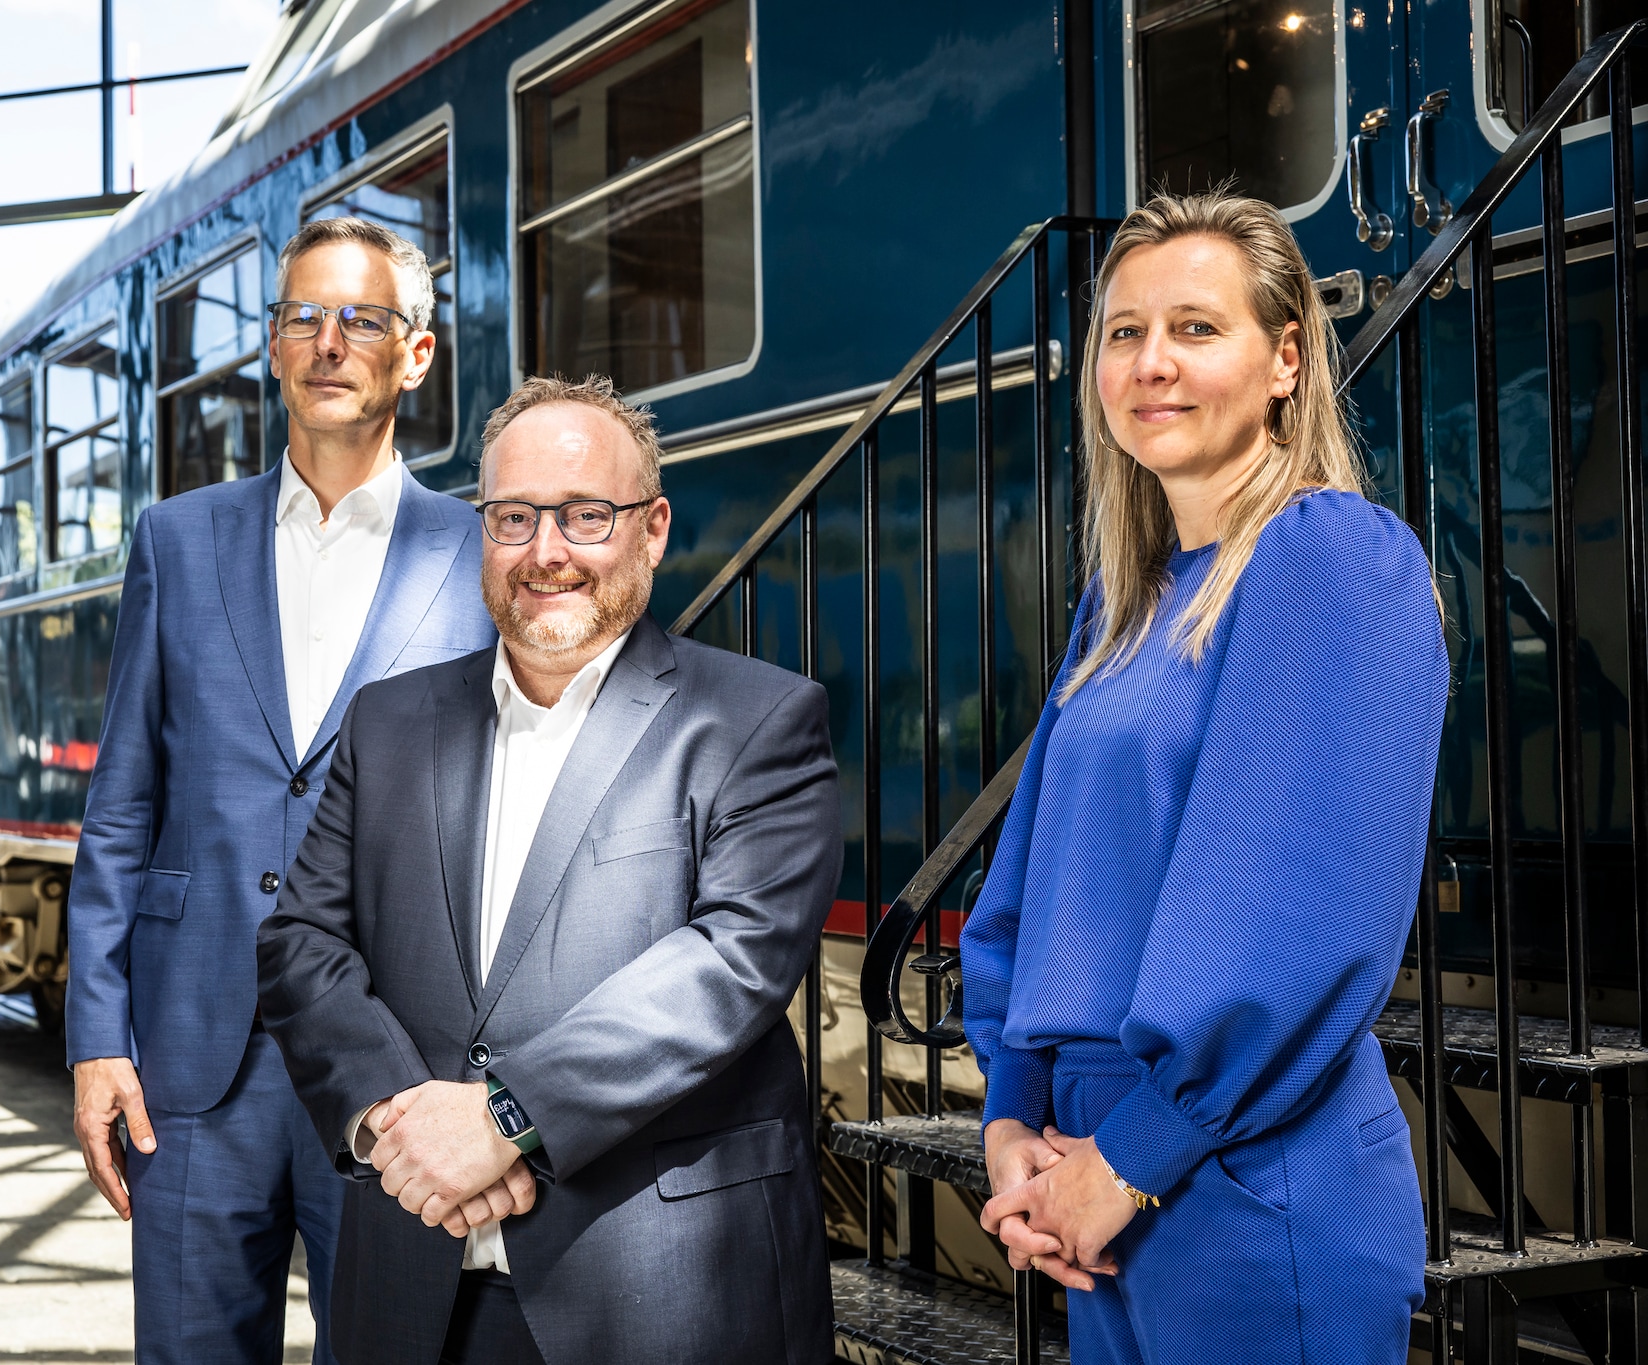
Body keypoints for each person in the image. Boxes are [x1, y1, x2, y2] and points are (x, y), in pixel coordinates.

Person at [254, 375, 839, 1365]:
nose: (546, 552)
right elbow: (302, 942)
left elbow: (731, 962)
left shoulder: (755, 721)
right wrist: (408, 1134)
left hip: (653, 1296)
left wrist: (504, 1119)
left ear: (650, 530)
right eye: (513, 517)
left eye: (585, 515)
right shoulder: (388, 724)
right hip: (412, 1282)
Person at [957, 189, 1448, 1364]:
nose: (1150, 364)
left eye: (1194, 328)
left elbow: (1299, 916)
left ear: (1284, 358)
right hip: (1094, 1163)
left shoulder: (1329, 555)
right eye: (1123, 333)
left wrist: (1134, 1153)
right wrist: (1012, 1116)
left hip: (1238, 1175)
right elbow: (1034, 880)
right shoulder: (1122, 602)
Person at [65, 217, 497, 1364]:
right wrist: (96, 1038)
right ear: (271, 346)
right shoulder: (177, 538)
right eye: (301, 315)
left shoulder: (476, 553)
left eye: (360, 318)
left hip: (392, 1062)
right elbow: (121, 808)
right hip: (192, 1062)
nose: (326, 341)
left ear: (415, 354)